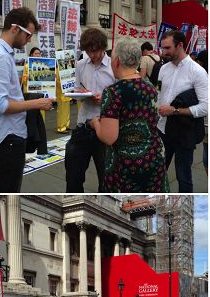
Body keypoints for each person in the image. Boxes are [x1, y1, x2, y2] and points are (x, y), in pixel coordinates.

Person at [0, 7, 54, 192]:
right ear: (15, 29)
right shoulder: (0, 57)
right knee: (9, 190)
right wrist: (36, 104)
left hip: (7, 135)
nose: (29, 40)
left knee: (7, 187)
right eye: (28, 35)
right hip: (7, 137)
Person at [89, 38, 168, 193]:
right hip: (154, 156)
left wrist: (95, 123)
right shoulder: (150, 87)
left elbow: (108, 137)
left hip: (126, 164)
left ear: (117, 61)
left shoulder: (113, 92)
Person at [65, 27, 115, 193]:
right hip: (83, 125)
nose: (92, 55)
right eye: (88, 51)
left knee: (106, 178)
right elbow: (77, 87)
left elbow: (120, 95)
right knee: (73, 176)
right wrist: (80, 93)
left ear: (103, 47)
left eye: (95, 51)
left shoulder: (114, 66)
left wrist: (106, 98)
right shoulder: (81, 64)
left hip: (105, 127)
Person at [157, 30, 208, 192]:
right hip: (162, 130)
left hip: (184, 133)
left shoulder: (198, 72)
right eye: (162, 48)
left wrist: (175, 111)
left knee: (183, 176)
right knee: (157, 173)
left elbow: (205, 107)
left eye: (167, 48)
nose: (163, 52)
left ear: (180, 45)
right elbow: (159, 95)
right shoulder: (163, 69)